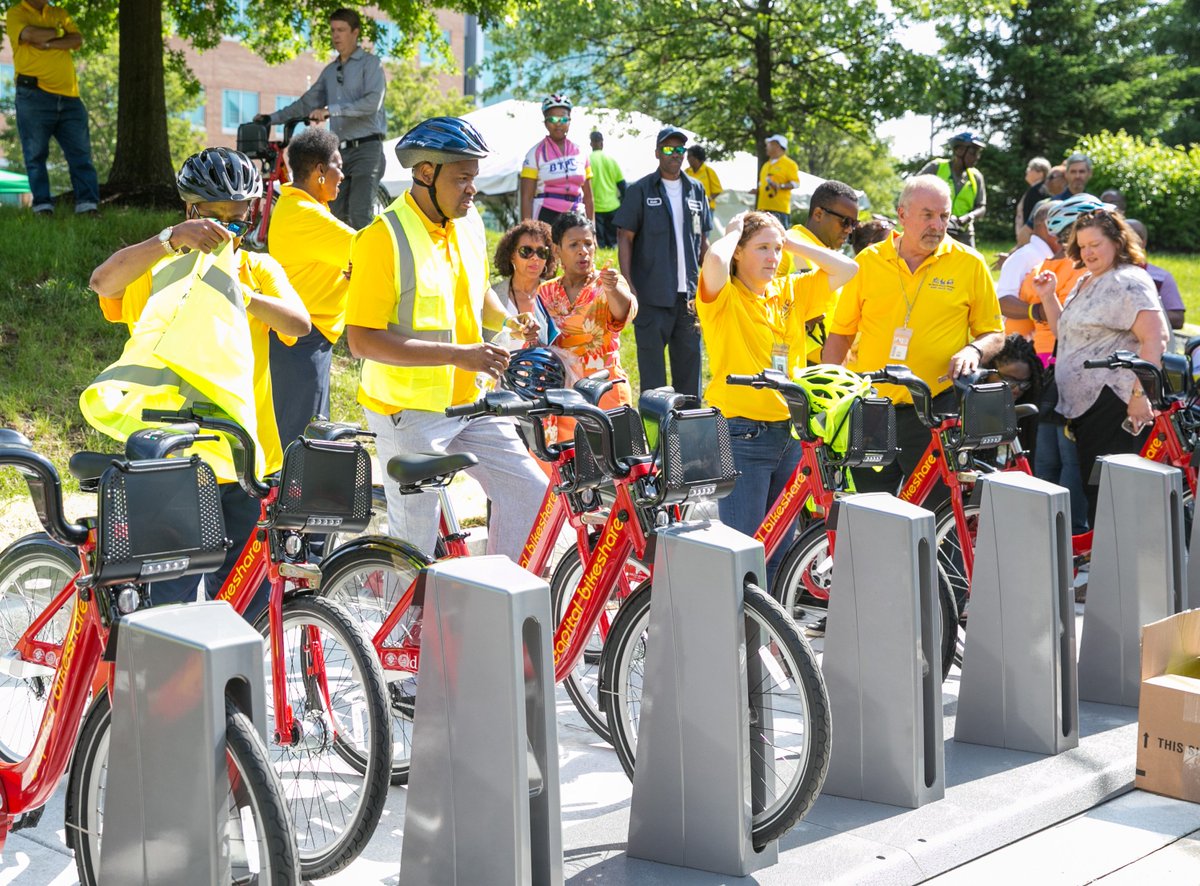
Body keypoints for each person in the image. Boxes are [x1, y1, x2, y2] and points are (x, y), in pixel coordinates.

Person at [85, 147, 310, 614]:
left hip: (246, 459)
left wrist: (241, 296)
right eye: (216, 220)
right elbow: (103, 283)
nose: (229, 231)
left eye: (239, 220)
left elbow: (298, 324)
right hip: (174, 461)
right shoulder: (159, 271)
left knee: (251, 603)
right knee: (173, 601)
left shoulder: (257, 269)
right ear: (191, 212)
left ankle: (236, 685)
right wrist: (169, 239)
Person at [344, 116, 547, 562]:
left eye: (474, 178)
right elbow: (361, 341)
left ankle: (496, 596)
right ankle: (402, 632)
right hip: (408, 413)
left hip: (470, 404)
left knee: (532, 491)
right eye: (463, 178)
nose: (472, 189)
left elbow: (477, 298)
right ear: (425, 174)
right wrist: (459, 355)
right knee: (413, 543)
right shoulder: (382, 238)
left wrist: (512, 322)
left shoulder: (468, 223)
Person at [823, 175, 1004, 497]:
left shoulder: (970, 263)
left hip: (934, 409)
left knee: (936, 509)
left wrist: (974, 351)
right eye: (928, 215)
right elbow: (840, 334)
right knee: (870, 508)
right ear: (902, 214)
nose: (937, 225)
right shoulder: (868, 261)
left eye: (944, 216)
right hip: (872, 408)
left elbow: (994, 332)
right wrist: (828, 393)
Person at [698, 210, 856, 576]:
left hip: (789, 431)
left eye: (777, 249)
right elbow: (715, 259)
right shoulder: (723, 296)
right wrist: (733, 230)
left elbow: (847, 269)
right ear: (739, 251)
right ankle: (738, 628)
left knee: (781, 545)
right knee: (745, 546)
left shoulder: (789, 290)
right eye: (762, 248)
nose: (773, 258)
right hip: (742, 433)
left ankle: (771, 629)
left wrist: (795, 243)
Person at [1033, 205, 1169, 525]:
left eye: (1096, 244)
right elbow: (1065, 333)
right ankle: (1101, 565)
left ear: (1117, 242)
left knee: (1113, 495)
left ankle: (1115, 570)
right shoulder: (1087, 280)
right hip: (1085, 409)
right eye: (1083, 246)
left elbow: (1156, 339)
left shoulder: (1128, 280)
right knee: (1096, 491)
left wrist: (1140, 396)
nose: (1088, 252)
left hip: (1114, 404)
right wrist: (1048, 296)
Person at [256, 8, 386, 230]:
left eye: (341, 30)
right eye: (333, 30)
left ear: (355, 32)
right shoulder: (330, 71)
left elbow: (372, 103)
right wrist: (271, 118)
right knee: (333, 215)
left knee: (359, 212)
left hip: (367, 148)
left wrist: (330, 110)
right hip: (339, 153)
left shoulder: (371, 64)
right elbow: (305, 104)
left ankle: (371, 263)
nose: (336, 35)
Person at [266, 127, 355, 447]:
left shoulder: (298, 208)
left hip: (303, 338)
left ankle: (293, 495)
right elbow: (369, 249)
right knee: (304, 441)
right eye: (338, 166)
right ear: (320, 170)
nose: (342, 175)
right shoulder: (304, 214)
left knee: (305, 436)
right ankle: (293, 497)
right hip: (303, 339)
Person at [614, 125, 711, 398]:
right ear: (657, 153)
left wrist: (720, 275)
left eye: (680, 149)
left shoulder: (697, 191)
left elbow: (703, 241)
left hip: (689, 300)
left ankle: (687, 437)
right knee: (654, 382)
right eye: (669, 149)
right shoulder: (642, 190)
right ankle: (656, 440)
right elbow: (625, 237)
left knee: (690, 379)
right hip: (651, 298)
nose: (675, 154)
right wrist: (629, 285)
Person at [538, 211, 637, 440]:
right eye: (573, 245)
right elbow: (539, 340)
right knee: (565, 469)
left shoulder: (609, 282)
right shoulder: (545, 292)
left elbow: (625, 312)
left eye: (588, 244)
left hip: (605, 390)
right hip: (563, 396)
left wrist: (612, 289)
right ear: (557, 250)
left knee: (614, 469)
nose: (583, 251)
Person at [6, 0, 99, 216]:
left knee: (81, 153)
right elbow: (28, 35)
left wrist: (49, 41)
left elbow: (76, 39)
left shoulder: (59, 12)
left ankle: (87, 206)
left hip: (70, 98)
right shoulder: (15, 13)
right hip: (33, 95)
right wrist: (59, 34)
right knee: (35, 154)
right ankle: (42, 206)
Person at [775, 179, 861, 361]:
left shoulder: (829, 256)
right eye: (845, 222)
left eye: (854, 224)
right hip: (793, 365)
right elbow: (760, 308)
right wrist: (800, 319)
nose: (849, 230)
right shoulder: (786, 245)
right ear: (818, 214)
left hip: (826, 367)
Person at [519, 95, 594, 226]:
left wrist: (592, 228)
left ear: (570, 121)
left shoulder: (581, 153)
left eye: (564, 119)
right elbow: (526, 197)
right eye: (553, 119)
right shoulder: (534, 154)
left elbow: (588, 197)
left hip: (576, 212)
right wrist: (526, 229)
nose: (558, 123)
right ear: (545, 122)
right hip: (545, 212)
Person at [488, 219, 558, 345]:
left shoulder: (556, 295)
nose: (535, 257)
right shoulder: (492, 294)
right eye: (526, 251)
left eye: (542, 252)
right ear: (511, 255)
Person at [918, 131, 987, 247]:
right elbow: (913, 191)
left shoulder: (976, 177)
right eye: (973, 153)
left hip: (964, 232)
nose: (977, 157)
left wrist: (969, 217)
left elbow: (981, 207)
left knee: (970, 262)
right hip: (935, 229)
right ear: (958, 151)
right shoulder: (936, 167)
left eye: (978, 153)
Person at [1127, 219, 1185, 330]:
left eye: (1132, 237)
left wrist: (1135, 316)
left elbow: (1178, 319)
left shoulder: (1161, 278)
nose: (1125, 242)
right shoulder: (1100, 273)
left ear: (1143, 242)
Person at [588, 131, 625, 249]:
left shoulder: (587, 161)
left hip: (596, 208)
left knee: (600, 243)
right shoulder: (611, 160)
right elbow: (622, 184)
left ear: (591, 144)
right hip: (613, 206)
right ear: (602, 143)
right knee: (613, 243)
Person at [755, 134, 799, 227]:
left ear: (778, 146)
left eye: (769, 144)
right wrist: (757, 190)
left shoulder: (790, 164)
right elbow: (761, 184)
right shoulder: (766, 165)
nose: (766, 147)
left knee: (780, 239)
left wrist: (780, 186)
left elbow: (796, 184)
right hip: (762, 209)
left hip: (779, 210)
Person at [1015, 156, 1051, 245]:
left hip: (1032, 238)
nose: (1027, 171)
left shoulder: (1037, 191)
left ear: (1040, 173)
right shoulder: (1036, 189)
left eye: (1030, 169)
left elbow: (1032, 217)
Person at [685, 144, 723, 212]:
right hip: (690, 207)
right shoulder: (686, 172)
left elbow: (717, 190)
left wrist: (708, 200)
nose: (687, 159)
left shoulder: (708, 171)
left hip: (707, 208)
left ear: (696, 157)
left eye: (689, 156)